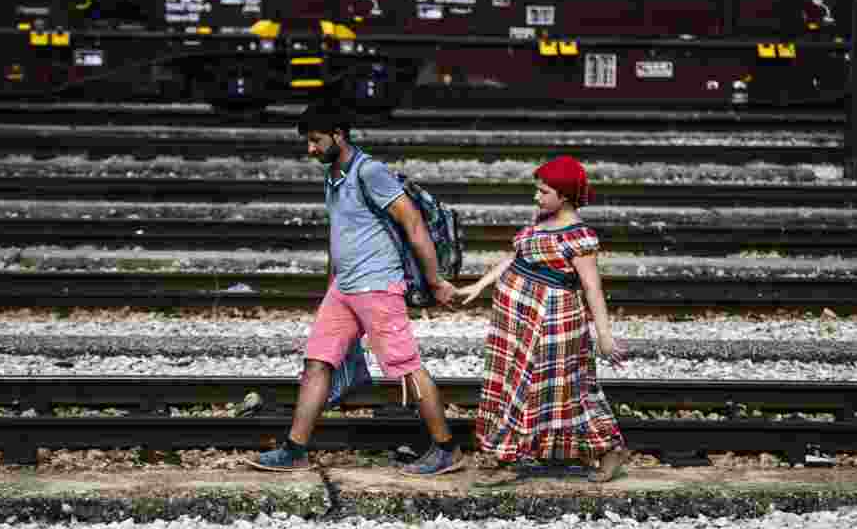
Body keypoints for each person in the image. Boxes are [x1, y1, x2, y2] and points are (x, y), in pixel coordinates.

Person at [248, 110, 466, 477]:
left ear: (339, 134)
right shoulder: (333, 175)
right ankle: (294, 449)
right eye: (308, 141)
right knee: (317, 360)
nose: (310, 149)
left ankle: (447, 449)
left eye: (316, 140)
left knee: (406, 368)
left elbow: (412, 223)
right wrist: (330, 285)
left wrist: (435, 280)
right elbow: (340, 234)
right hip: (344, 287)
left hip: (377, 286)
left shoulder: (370, 172)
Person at [454, 155, 629, 483]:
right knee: (518, 384)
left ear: (563, 196)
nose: (537, 196)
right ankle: (511, 457)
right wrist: (479, 285)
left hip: (553, 321)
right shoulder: (540, 220)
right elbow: (514, 259)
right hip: (516, 319)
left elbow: (592, 288)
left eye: (543, 191)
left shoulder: (578, 237)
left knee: (554, 388)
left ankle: (601, 450)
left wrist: (604, 335)